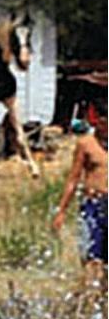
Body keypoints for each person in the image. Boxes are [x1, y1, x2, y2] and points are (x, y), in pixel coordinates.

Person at [50, 118, 107, 279]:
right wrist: (61, 210)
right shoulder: (86, 144)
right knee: (91, 257)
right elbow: (73, 179)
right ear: (98, 123)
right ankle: (89, 290)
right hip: (93, 204)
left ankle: (104, 292)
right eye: (104, 124)